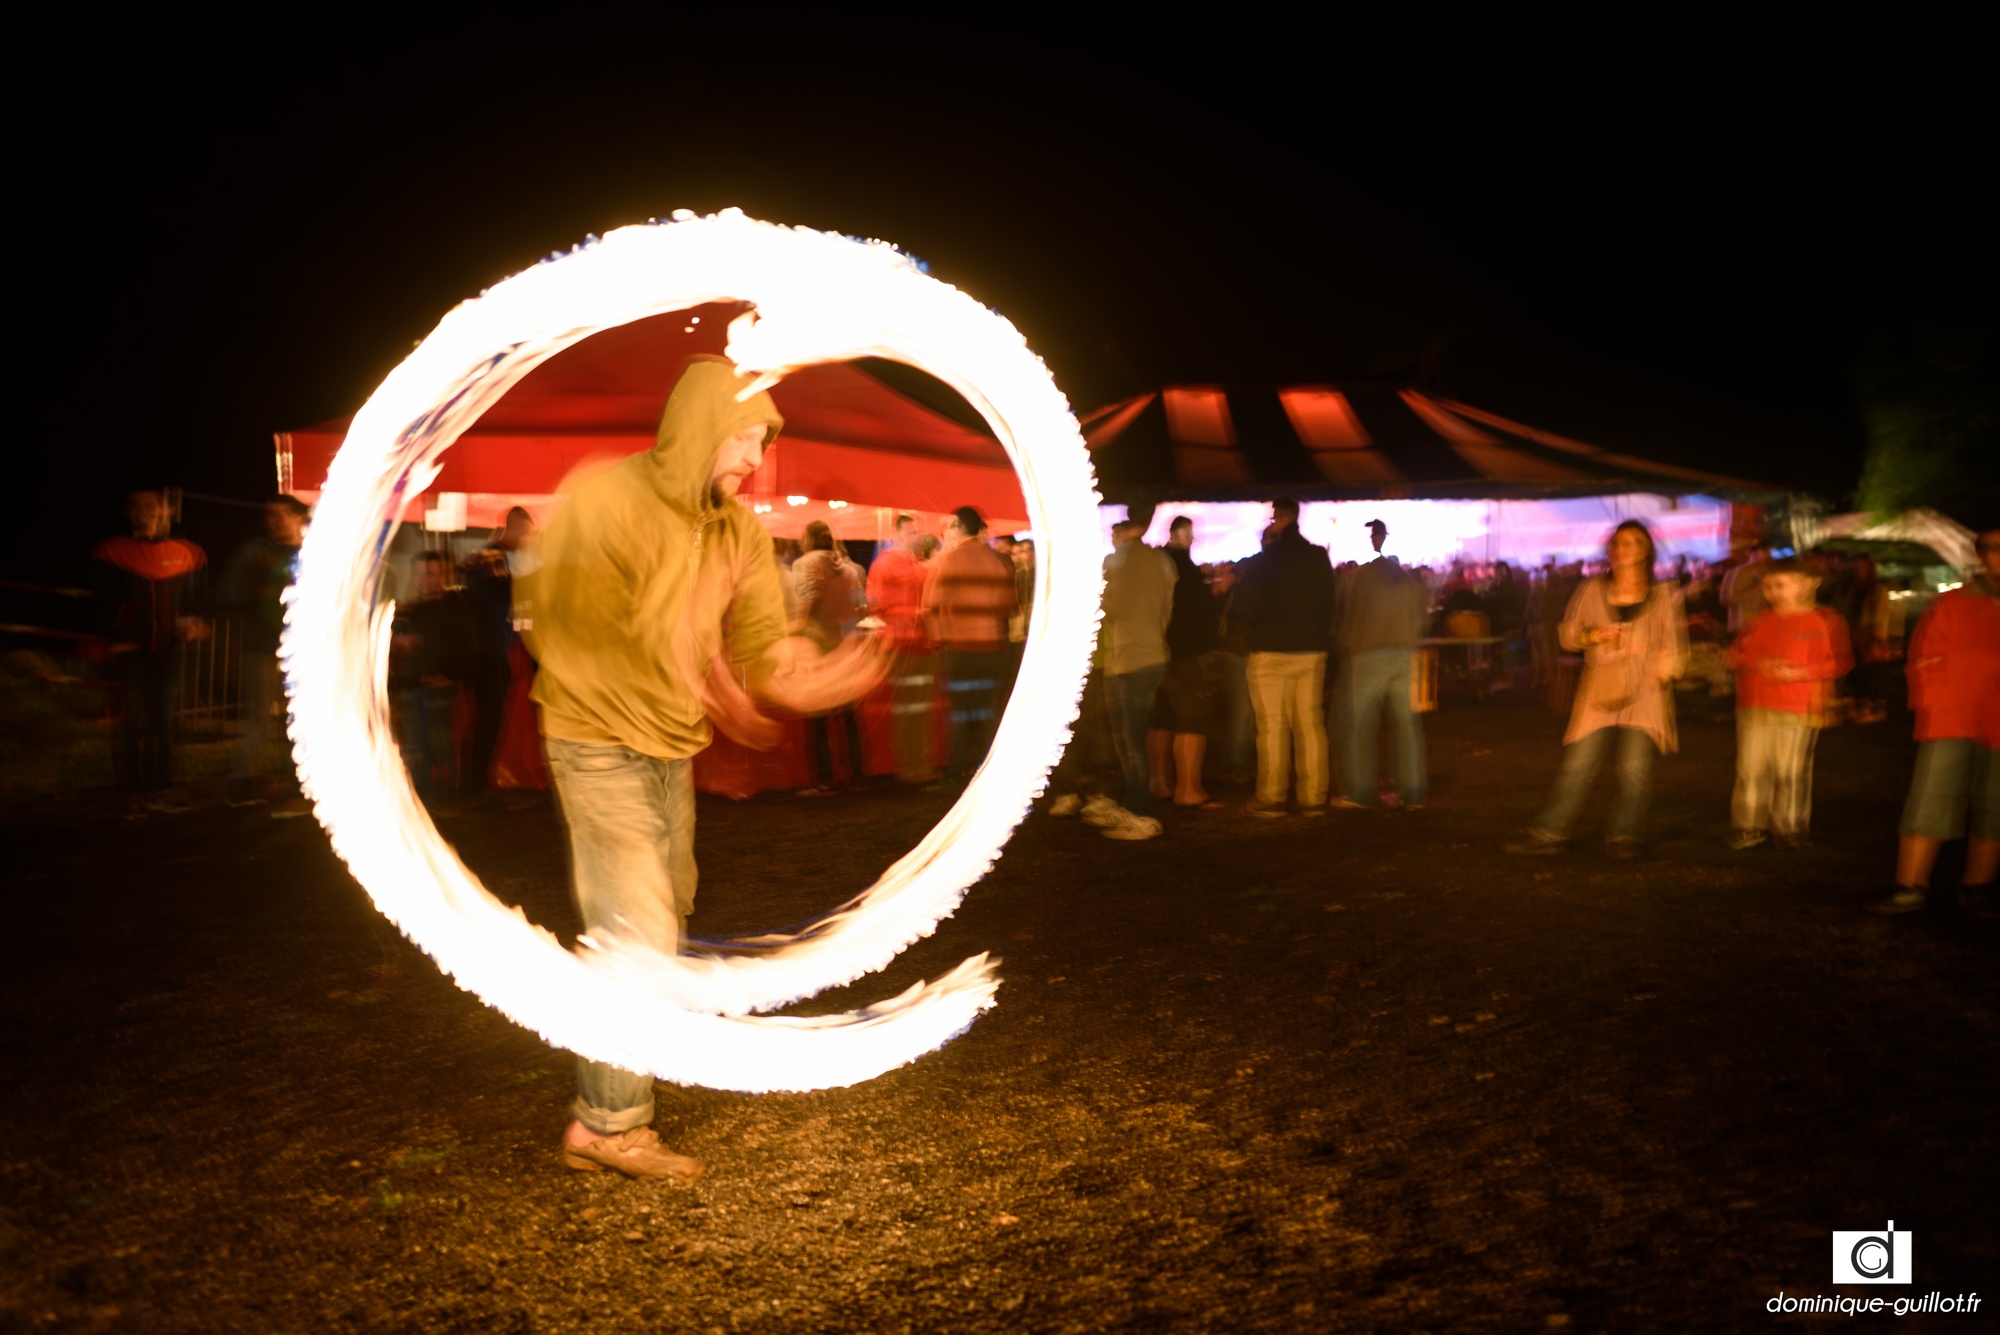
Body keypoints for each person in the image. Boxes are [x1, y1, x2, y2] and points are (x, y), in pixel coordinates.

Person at [527, 356, 886, 1180]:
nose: (756, 456)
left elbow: (762, 642)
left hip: (670, 745)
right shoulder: (607, 500)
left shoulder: (737, 531)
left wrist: (803, 673)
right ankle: (609, 1124)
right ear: (697, 428)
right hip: (594, 736)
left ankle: (611, 1083)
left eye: (764, 440)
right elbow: (568, 628)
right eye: (745, 435)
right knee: (638, 926)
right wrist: (689, 652)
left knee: (664, 911)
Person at [1508, 521, 1687, 857]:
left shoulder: (1663, 595)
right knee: (1579, 763)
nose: (1623, 549)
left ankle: (1624, 835)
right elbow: (1568, 634)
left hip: (1644, 692)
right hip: (1600, 688)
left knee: (1634, 769)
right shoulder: (1592, 590)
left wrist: (1658, 670)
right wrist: (1593, 636)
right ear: (1609, 549)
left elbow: (1674, 648)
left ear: (1646, 550)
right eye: (1618, 543)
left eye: (1633, 542)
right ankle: (1550, 833)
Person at [1867, 527, 2000, 915]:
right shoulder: (1953, 604)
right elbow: (1923, 656)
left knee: (1995, 806)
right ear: (1981, 555)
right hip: (1952, 717)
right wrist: (1932, 703)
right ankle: (1910, 885)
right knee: (1932, 799)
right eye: (1991, 548)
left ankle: (1977, 886)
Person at [92, 488, 207, 811]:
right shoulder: (112, 552)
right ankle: (131, 789)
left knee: (165, 719)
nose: (144, 512)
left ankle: (161, 786)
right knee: (131, 721)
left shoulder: (188, 554)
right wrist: (115, 636)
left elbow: (194, 600)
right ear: (127, 513)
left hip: (170, 648)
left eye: (151, 506)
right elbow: (101, 602)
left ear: (165, 511)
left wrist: (194, 623)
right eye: (137, 506)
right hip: (131, 650)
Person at [1726, 558, 1852, 850]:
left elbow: (1840, 660)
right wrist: (1760, 664)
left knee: (1791, 770)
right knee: (1751, 768)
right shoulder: (1760, 620)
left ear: (1808, 583)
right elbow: (1736, 654)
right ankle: (1749, 826)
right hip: (1755, 704)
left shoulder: (1826, 621)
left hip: (1798, 707)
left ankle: (1790, 827)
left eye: (1780, 585)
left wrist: (1805, 672)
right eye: (1768, 586)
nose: (1773, 593)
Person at [1231, 496, 1336, 817]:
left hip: (1269, 651)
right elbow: (1329, 603)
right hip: (1311, 651)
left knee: (1273, 726)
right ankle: (1313, 796)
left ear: (1279, 518)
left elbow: (1246, 606)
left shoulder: (1264, 561)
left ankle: (1273, 797)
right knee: (1310, 725)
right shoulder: (1318, 557)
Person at [220, 493, 310, 813]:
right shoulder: (254, 552)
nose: (271, 520)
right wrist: (263, 594)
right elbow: (231, 591)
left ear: (300, 517)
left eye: (279, 514)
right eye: (268, 515)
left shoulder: (315, 552)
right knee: (257, 718)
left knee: (300, 717)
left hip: (303, 649)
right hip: (262, 645)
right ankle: (243, 781)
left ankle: (298, 781)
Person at [1335, 519, 1428, 810]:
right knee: (1407, 727)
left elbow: (1346, 615)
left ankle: (1362, 792)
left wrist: (1349, 644)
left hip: (1369, 654)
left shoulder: (1356, 577)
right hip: (1403, 655)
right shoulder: (1405, 577)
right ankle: (1412, 793)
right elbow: (1420, 617)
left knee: (1361, 725)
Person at [1094, 510, 1176, 839]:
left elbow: (1113, 608)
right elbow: (1167, 609)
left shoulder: (1115, 563)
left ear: (1122, 531)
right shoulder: (1163, 562)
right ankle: (1131, 805)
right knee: (1134, 740)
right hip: (1154, 655)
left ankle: (1141, 814)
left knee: (1129, 743)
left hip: (1127, 658)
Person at [923, 506, 1017, 788]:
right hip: (994, 647)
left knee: (962, 713)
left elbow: (932, 605)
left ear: (962, 528)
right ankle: (988, 771)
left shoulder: (951, 560)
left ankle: (958, 773)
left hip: (962, 648)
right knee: (987, 711)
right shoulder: (998, 560)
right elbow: (1009, 605)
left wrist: (939, 638)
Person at [390, 551, 478, 804]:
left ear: (443, 575)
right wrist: (397, 644)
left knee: (439, 741)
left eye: (430, 573)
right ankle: (421, 795)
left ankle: (448, 794)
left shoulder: (455, 607)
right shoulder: (407, 608)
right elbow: (393, 644)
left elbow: (467, 646)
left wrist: (449, 675)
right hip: (411, 683)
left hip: (438, 686)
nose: (424, 579)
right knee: (414, 744)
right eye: (419, 572)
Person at [1147, 515, 1221, 809]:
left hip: (1154, 653)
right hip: (1184, 653)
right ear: (1180, 533)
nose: (1193, 539)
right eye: (1190, 533)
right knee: (1192, 719)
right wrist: (1214, 592)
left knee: (1161, 719)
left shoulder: (1157, 563)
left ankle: (1160, 783)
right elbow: (1195, 613)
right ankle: (1188, 789)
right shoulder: (1185, 568)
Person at [461, 505, 535, 798]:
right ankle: (475, 784)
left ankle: (475, 781)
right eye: (526, 532)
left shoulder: (491, 557)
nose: (527, 539)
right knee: (488, 721)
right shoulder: (493, 558)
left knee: (486, 721)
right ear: (514, 528)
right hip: (488, 653)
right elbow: (504, 592)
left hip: (487, 651)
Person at [792, 520, 865, 794]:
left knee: (818, 718)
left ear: (807, 539)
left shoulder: (806, 564)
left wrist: (797, 629)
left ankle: (823, 780)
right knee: (847, 717)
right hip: (844, 646)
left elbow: (811, 599)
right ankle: (855, 775)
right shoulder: (847, 569)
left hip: (818, 647)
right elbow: (860, 608)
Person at [866, 514, 939, 785]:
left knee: (920, 709)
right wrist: (915, 613)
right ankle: (909, 764)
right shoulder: (886, 564)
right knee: (909, 709)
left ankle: (920, 762)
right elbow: (877, 605)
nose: (915, 536)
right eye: (910, 532)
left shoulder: (916, 565)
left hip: (921, 645)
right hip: (904, 645)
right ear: (897, 533)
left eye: (917, 531)